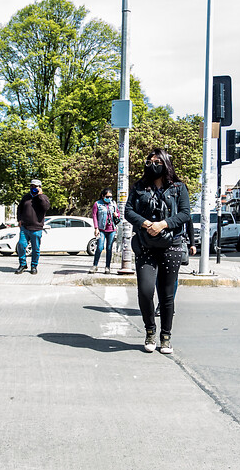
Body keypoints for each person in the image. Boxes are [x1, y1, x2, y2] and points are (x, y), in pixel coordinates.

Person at [124, 148, 190, 355]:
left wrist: (163, 224)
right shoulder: (139, 187)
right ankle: (150, 330)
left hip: (172, 245)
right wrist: (146, 224)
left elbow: (185, 214)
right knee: (145, 291)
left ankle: (166, 336)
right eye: (150, 161)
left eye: (158, 162)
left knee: (166, 295)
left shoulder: (179, 187)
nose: (153, 165)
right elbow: (128, 211)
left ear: (166, 163)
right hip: (145, 245)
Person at [15, 179, 50, 275]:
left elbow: (46, 207)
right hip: (24, 227)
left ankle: (34, 266)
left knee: (35, 249)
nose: (33, 188)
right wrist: (19, 219)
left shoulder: (43, 198)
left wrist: (40, 195)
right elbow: (19, 208)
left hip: (36, 228)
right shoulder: (26, 197)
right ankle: (22, 264)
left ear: (39, 187)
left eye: (35, 186)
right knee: (21, 245)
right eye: (32, 186)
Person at [90, 188, 120, 274]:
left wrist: (116, 215)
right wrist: (96, 228)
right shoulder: (97, 204)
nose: (109, 198)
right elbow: (94, 216)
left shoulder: (113, 204)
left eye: (111, 197)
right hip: (101, 229)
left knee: (109, 248)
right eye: (107, 197)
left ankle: (107, 267)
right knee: (99, 247)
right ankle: (95, 265)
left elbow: (118, 214)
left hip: (112, 229)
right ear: (103, 196)